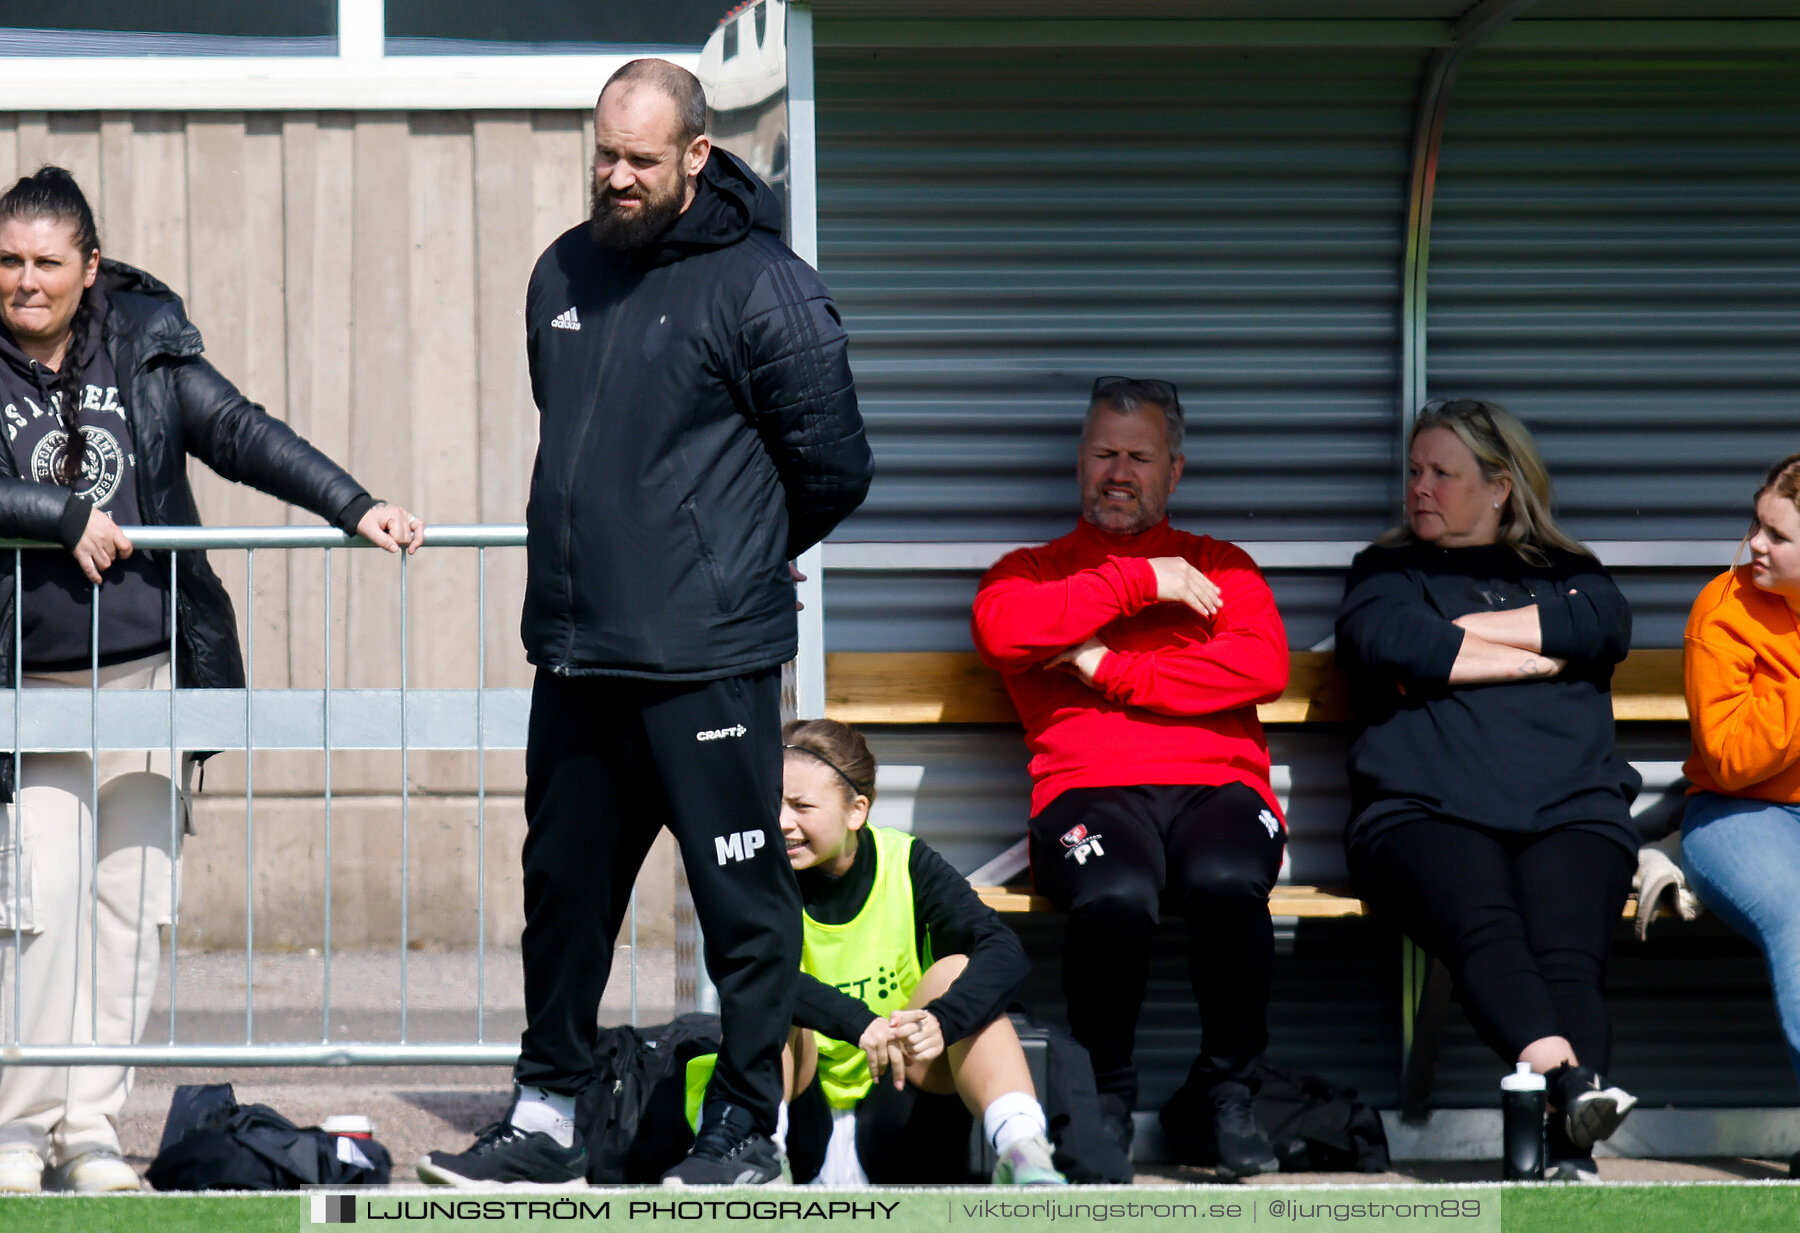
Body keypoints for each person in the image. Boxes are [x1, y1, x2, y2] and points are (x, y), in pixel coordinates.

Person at [420, 59, 870, 1188]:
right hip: (577, 652)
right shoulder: (561, 272)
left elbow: (835, 467)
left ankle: (746, 1129)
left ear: (697, 157)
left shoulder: (767, 285)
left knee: (743, 907)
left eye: (642, 160)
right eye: (604, 157)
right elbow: (577, 437)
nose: (617, 178)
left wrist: (731, 559)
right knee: (564, 902)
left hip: (709, 663)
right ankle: (548, 1117)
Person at [0, 166, 422, 1195]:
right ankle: (17, 1130)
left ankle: (90, 1129)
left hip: (151, 678)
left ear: (89, 268)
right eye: (8, 261)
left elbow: (241, 434)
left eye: (46, 262)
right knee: (40, 903)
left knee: (128, 908)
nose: (24, 281)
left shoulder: (144, 342)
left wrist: (352, 505)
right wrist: (60, 517)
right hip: (28, 688)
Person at [969, 377, 1290, 1177]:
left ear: (1174, 470)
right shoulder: (1033, 571)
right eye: (1105, 453)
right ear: (1079, 462)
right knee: (1115, 896)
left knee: (1226, 878)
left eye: (1139, 456)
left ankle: (1224, 1090)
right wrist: (1143, 582)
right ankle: (1104, 1095)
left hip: (1220, 788)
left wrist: (1105, 667)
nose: (1120, 471)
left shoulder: (1223, 566)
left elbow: (1262, 665)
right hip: (1087, 791)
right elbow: (1003, 630)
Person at [1335, 398, 1639, 1183]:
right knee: (1486, 927)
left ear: (1501, 486)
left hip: (1570, 807)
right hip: (1423, 810)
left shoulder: (1572, 572)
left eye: (1443, 473)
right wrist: (1536, 653)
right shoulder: (1386, 572)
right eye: (1414, 471)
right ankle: (1572, 1086)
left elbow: (1602, 626)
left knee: (1568, 956)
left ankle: (1570, 1142)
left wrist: (1461, 641)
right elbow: (1385, 638)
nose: (1420, 488)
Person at [775, 718, 1064, 1186]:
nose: (782, 821)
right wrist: (857, 1022)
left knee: (960, 975)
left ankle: (1023, 1153)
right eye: (774, 802)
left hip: (896, 1111)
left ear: (856, 811)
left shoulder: (905, 861)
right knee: (761, 993)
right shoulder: (758, 870)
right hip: (799, 1117)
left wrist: (942, 1020)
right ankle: (757, 1157)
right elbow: (745, 970)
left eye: (801, 806)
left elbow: (1003, 950)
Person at [1679, 453, 1800, 1154]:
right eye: (1757, 524)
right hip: (1739, 813)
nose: (1755, 544)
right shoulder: (1724, 608)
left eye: (1777, 536)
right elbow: (1728, 756)